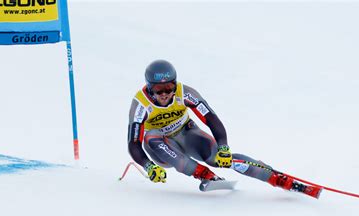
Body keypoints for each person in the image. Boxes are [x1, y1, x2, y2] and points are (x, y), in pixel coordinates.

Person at [127, 59, 322, 198]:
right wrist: (147, 165)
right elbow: (133, 143)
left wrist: (223, 146)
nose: (165, 94)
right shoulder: (141, 104)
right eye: (158, 90)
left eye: (169, 87)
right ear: (148, 88)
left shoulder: (185, 92)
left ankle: (276, 178)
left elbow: (210, 117)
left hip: (186, 132)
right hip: (162, 146)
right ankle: (204, 175)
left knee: (217, 157)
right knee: (151, 136)